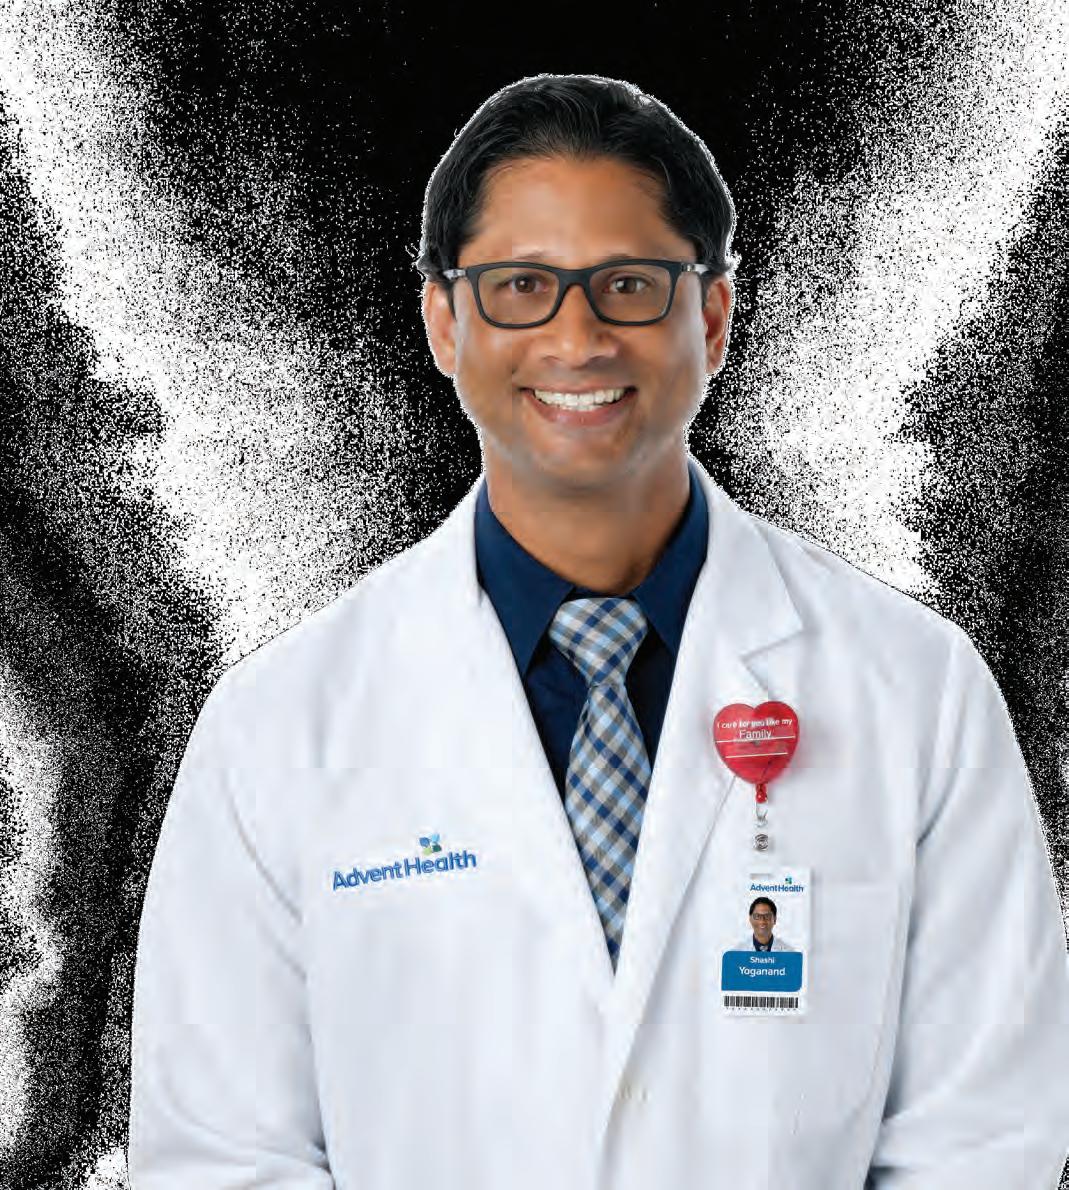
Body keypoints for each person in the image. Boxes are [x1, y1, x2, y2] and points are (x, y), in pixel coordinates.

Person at [127, 73, 1069, 1188]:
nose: (576, 339)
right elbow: (225, 1155)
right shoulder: (278, 724)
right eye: (521, 286)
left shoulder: (917, 691)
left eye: (628, 285)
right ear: (444, 321)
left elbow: (980, 1139)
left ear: (710, 317)